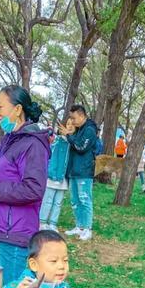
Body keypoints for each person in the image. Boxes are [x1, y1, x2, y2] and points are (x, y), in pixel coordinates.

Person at [0, 85, 49, 287]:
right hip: (1, 229)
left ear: (17, 109)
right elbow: (4, 176)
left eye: (1, 107)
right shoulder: (9, 140)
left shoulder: (33, 144)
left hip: (16, 233)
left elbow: (33, 188)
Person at [60, 103, 98, 242]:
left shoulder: (89, 130)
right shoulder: (79, 129)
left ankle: (87, 228)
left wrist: (69, 136)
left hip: (84, 171)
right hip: (74, 170)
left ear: (82, 116)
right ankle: (79, 226)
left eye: (74, 118)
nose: (73, 121)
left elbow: (81, 147)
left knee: (84, 199)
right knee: (75, 200)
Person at [40, 117, 73, 231]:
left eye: (72, 125)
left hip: (64, 178)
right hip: (53, 176)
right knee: (48, 200)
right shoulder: (58, 140)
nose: (69, 126)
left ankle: (53, 223)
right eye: (68, 124)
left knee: (58, 202)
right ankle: (42, 222)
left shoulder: (73, 144)